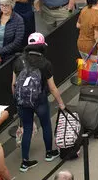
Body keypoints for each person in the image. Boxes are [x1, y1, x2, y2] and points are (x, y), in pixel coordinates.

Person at [12, 33, 65, 172]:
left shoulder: (18, 61)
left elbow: (13, 84)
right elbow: (52, 88)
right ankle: (49, 153)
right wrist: (61, 103)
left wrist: (18, 101)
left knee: (27, 128)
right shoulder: (45, 64)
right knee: (46, 124)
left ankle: (25, 162)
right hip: (40, 100)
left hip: (23, 102)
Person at [0, 0, 25, 64]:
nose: (4, 7)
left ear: (12, 5)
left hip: (11, 57)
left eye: (7, 5)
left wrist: (0, 52)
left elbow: (17, 42)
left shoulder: (18, 20)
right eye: (2, 5)